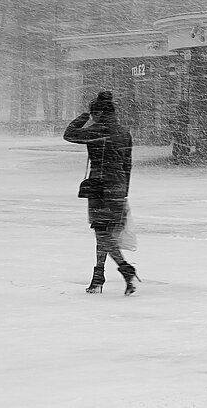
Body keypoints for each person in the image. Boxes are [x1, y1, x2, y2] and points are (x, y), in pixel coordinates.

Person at [64, 91, 138, 295]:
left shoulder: (96, 131)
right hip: (118, 187)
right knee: (107, 233)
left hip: (99, 186)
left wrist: (84, 116)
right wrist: (124, 191)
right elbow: (128, 164)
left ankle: (122, 269)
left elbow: (69, 133)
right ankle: (99, 277)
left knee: (102, 233)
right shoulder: (123, 132)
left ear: (98, 112)